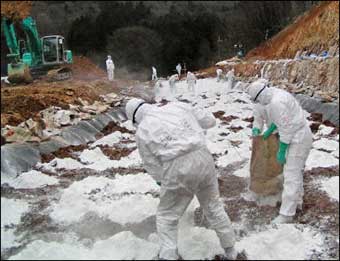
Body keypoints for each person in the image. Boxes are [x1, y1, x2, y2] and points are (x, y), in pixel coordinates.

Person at [125, 98, 237, 260]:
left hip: (178, 166)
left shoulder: (142, 130)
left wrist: (161, 181)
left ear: (135, 118)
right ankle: (231, 251)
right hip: (203, 157)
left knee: (166, 216)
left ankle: (168, 256)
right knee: (213, 206)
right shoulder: (178, 106)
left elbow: (151, 163)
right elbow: (210, 121)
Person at [247, 79, 313, 224]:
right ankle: (297, 201)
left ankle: (287, 214)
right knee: (295, 172)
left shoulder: (277, 101)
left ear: (262, 94)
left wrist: (282, 150)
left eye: (258, 99)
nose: (258, 103)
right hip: (292, 134)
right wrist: (263, 129)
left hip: (298, 137)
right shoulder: (271, 97)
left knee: (291, 174)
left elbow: (286, 129)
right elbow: (278, 120)